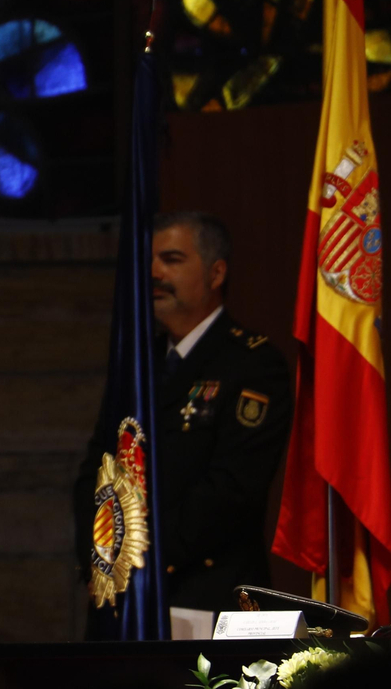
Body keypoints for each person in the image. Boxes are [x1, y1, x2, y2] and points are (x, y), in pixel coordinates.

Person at [74, 211, 292, 615]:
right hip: (121, 596)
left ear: (216, 273)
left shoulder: (252, 364)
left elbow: (230, 492)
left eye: (172, 260)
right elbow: (96, 468)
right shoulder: (138, 364)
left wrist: (136, 557)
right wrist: (99, 558)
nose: (154, 272)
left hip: (204, 596)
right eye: (151, 260)